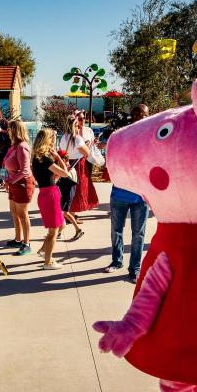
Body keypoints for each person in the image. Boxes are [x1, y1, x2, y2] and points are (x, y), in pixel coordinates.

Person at [105, 103, 151, 282]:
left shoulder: (150, 137)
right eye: (136, 113)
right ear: (131, 115)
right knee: (116, 231)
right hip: (119, 194)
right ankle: (117, 261)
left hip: (140, 197)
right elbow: (109, 158)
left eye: (143, 114)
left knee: (138, 234)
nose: (140, 117)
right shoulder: (121, 135)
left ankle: (135, 268)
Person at [31, 128, 71, 269]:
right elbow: (65, 173)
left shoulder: (37, 157)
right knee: (53, 231)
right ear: (46, 140)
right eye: (52, 138)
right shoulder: (45, 158)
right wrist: (59, 157)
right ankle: (48, 261)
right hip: (50, 195)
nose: (54, 141)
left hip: (46, 193)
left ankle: (43, 250)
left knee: (61, 225)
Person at [1, 119, 35, 255]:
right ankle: (18, 238)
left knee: (22, 214)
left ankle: (27, 243)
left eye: (10, 129)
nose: (8, 131)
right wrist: (7, 180)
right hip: (14, 183)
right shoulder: (13, 146)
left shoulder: (22, 147)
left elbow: (25, 170)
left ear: (15, 131)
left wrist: (10, 181)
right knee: (14, 213)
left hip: (22, 184)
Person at [57, 112, 92, 241]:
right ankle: (71, 215)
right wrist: (87, 145)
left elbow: (62, 151)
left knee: (66, 192)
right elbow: (87, 153)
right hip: (77, 166)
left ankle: (65, 220)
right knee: (77, 191)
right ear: (75, 125)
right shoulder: (77, 138)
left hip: (66, 164)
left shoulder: (63, 138)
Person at [66, 110, 100, 215]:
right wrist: (82, 146)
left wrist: (94, 142)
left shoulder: (88, 130)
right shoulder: (73, 136)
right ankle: (72, 211)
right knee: (78, 186)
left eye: (84, 118)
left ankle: (78, 207)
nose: (83, 120)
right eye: (80, 119)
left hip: (87, 160)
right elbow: (78, 148)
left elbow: (91, 144)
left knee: (85, 185)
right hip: (78, 162)